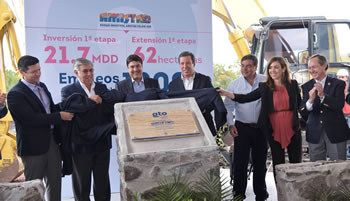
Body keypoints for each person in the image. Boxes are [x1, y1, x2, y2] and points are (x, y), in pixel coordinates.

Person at [218, 57, 302, 180]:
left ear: (283, 69)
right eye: (270, 68)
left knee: (296, 163)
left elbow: (299, 105)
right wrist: (227, 93)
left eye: (276, 67)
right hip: (274, 129)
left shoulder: (293, 85)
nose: (272, 70)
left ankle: (296, 193)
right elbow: (247, 97)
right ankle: (281, 194)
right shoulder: (265, 87)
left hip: (292, 127)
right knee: (278, 164)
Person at [7, 55, 74, 201]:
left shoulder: (42, 86)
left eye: (39, 70)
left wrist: (71, 103)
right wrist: (60, 116)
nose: (38, 74)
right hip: (32, 148)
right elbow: (31, 119)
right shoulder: (15, 94)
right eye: (33, 72)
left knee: (55, 182)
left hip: (52, 142)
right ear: (22, 72)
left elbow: (49, 109)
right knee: (33, 187)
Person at [61, 58, 112, 201]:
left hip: (102, 142)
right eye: (85, 71)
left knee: (102, 183)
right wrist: (91, 101)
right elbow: (71, 108)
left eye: (91, 70)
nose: (89, 74)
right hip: (80, 145)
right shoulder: (68, 91)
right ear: (76, 72)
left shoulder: (102, 88)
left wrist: (84, 104)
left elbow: (109, 106)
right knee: (82, 185)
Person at [223, 54, 268, 201]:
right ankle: (238, 195)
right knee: (240, 163)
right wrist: (231, 124)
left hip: (261, 129)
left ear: (255, 67)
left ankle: (261, 195)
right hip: (242, 128)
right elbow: (228, 107)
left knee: (260, 164)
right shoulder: (234, 85)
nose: (245, 69)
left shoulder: (266, 81)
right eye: (242, 66)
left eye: (248, 66)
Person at [300, 54, 349, 161]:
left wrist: (322, 96)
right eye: (309, 68)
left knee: (339, 168)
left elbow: (338, 105)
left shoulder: (338, 84)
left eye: (314, 67)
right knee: (316, 170)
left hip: (336, 132)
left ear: (324, 66)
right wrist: (310, 100)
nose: (311, 70)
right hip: (314, 133)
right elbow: (303, 112)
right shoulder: (306, 86)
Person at [168, 51, 216, 135]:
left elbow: (213, 101)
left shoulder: (205, 80)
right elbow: (171, 106)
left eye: (188, 63)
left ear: (194, 64)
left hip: (204, 124)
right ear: (179, 65)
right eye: (182, 63)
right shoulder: (173, 85)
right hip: (182, 127)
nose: (185, 66)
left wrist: (202, 109)